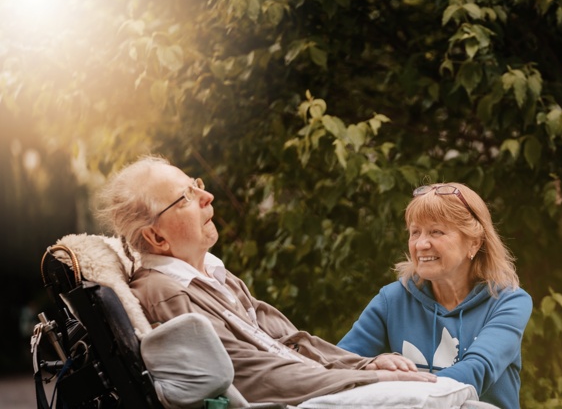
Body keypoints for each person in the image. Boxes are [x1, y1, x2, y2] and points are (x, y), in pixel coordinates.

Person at [94, 156, 435, 406]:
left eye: (195, 185)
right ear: (156, 237)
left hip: (318, 388)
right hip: (295, 401)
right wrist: (368, 378)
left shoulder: (214, 275)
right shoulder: (166, 294)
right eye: (185, 198)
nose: (207, 196)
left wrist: (365, 363)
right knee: (447, 397)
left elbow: (290, 342)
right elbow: (251, 375)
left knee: (454, 397)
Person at [337, 183, 533, 409]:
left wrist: (397, 384)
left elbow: (477, 369)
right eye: (415, 232)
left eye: (436, 232)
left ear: (474, 242)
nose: (421, 244)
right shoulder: (392, 300)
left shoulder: (508, 301)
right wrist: (369, 365)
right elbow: (337, 365)